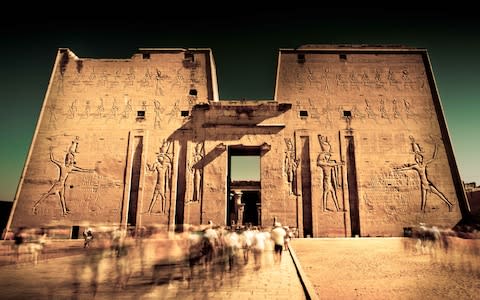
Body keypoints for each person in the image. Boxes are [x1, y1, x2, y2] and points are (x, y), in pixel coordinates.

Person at [33, 143, 94, 216]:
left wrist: (90, 170)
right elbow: (52, 160)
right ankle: (35, 206)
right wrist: (50, 151)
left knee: (62, 197)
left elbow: (82, 170)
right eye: (69, 159)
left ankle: (64, 211)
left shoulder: (69, 167)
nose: (70, 161)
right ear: (66, 159)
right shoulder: (64, 166)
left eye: (71, 159)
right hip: (58, 184)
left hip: (62, 185)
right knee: (47, 194)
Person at [395, 143, 453, 212]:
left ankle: (449, 204)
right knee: (424, 200)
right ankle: (422, 212)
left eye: (419, 158)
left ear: (420, 158)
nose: (418, 159)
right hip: (423, 185)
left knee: (439, 194)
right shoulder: (416, 166)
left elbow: (433, 158)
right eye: (417, 158)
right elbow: (407, 168)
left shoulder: (424, 164)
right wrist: (398, 170)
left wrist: (436, 148)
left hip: (428, 184)